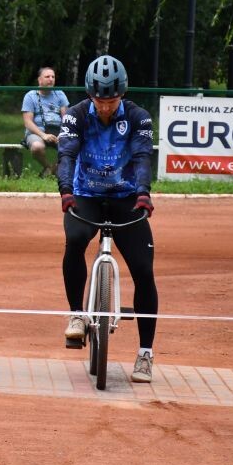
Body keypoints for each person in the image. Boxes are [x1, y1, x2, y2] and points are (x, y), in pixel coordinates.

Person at [57, 54, 157, 383]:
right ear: (90, 95)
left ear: (122, 95)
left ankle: (145, 353)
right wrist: (65, 191)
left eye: (111, 101)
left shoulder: (139, 117)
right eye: (99, 100)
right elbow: (67, 154)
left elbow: (142, 156)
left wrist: (143, 192)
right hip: (86, 195)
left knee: (143, 269)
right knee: (74, 239)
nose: (105, 107)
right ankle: (76, 315)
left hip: (126, 196)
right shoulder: (75, 116)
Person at [21, 65, 69, 176]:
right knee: (37, 147)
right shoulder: (30, 96)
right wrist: (43, 135)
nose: (51, 79)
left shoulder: (60, 94)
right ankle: (47, 167)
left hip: (58, 131)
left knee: (73, 146)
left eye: (53, 77)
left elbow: (66, 118)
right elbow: (28, 122)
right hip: (37, 132)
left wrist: (63, 133)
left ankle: (55, 168)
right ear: (39, 80)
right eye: (47, 77)